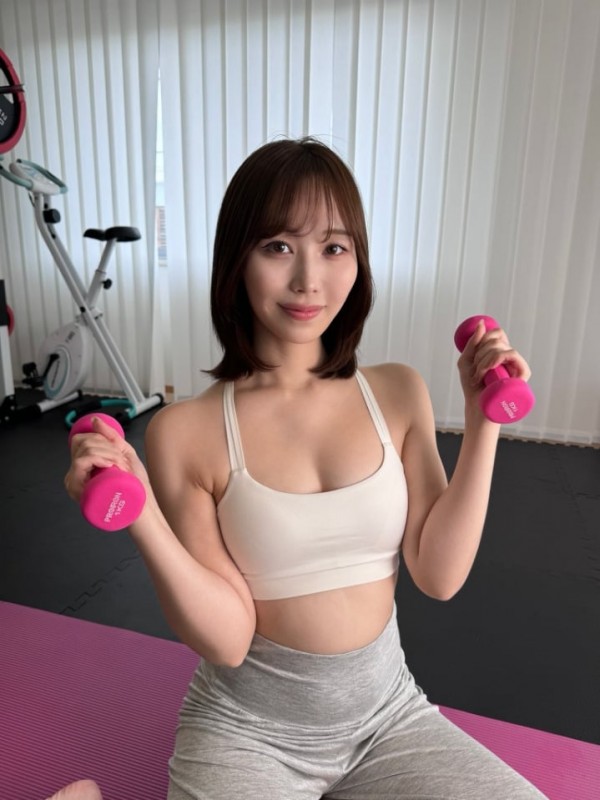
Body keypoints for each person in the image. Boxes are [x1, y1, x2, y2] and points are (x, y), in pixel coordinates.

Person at [59, 137, 547, 799]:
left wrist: (484, 417)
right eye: (278, 246)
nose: (308, 280)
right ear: (237, 259)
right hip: (248, 733)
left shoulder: (397, 392)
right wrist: (141, 513)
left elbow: (439, 575)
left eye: (334, 247)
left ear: (358, 260)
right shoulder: (187, 430)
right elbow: (228, 640)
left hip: (389, 719)